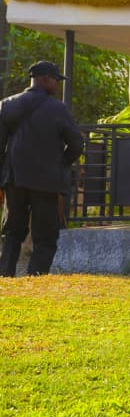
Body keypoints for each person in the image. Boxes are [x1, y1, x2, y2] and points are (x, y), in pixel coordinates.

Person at [0, 61, 83, 276]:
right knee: (45, 235)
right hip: (46, 181)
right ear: (45, 78)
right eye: (56, 79)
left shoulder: (6, 105)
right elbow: (76, 144)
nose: (57, 84)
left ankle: (5, 275)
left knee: (12, 231)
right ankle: (36, 276)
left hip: (15, 179)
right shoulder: (58, 109)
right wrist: (63, 163)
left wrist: (4, 174)